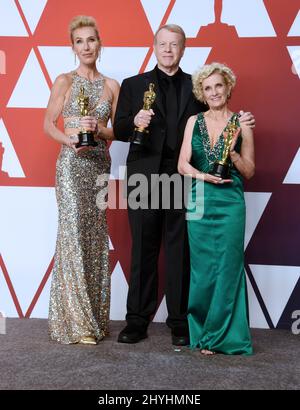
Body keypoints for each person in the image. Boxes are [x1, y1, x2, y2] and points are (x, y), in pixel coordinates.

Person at [114, 24, 254, 346]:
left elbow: (217, 119)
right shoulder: (133, 85)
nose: (167, 49)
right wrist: (134, 121)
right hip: (144, 175)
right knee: (143, 249)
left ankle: (180, 321)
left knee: (180, 251)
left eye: (174, 45)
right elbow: (119, 128)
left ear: (183, 49)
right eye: (162, 44)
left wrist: (243, 123)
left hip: (183, 176)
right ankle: (136, 320)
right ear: (154, 46)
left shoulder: (198, 86)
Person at [44, 15, 120, 345]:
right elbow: (48, 123)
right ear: (73, 47)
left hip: (98, 165)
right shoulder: (64, 80)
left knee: (93, 237)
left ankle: (94, 318)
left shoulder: (112, 86)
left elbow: (118, 131)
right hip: (72, 167)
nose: (86, 46)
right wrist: (68, 139)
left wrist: (99, 130)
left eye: (91, 39)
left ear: (99, 43)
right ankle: (77, 322)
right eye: (80, 41)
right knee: (72, 234)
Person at [178, 62, 254, 355]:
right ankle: (205, 332)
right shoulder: (193, 122)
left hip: (230, 202)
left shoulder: (242, 123)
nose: (214, 92)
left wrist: (233, 152)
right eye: (207, 88)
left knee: (227, 267)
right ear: (201, 91)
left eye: (218, 86)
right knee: (203, 270)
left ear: (228, 87)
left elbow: (249, 171)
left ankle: (225, 336)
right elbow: (182, 164)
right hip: (198, 198)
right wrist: (202, 175)